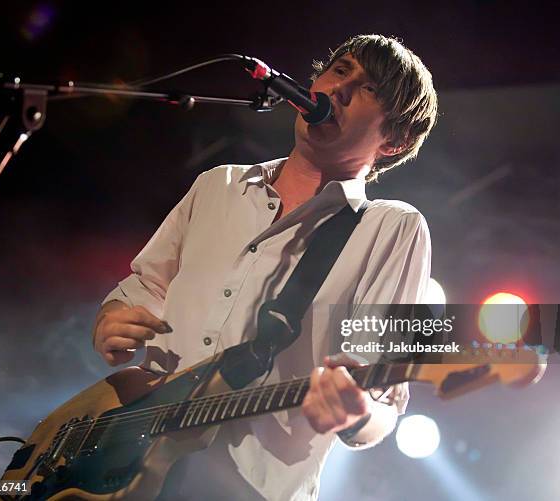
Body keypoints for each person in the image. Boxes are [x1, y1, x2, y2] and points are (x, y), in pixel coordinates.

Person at [92, 34, 438, 500]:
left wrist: (355, 412)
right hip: (120, 465)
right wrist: (109, 321)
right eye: (340, 70)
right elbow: (141, 289)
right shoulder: (218, 185)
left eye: (369, 88)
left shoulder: (390, 228)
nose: (340, 89)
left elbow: (384, 395)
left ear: (394, 141)